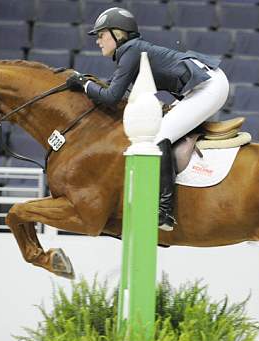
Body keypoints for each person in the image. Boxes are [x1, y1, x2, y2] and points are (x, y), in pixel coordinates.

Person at [66, 7, 230, 231]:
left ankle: (164, 210)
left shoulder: (130, 51)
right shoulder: (130, 52)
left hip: (209, 87)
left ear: (118, 33)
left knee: (159, 136)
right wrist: (87, 84)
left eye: (102, 35)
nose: (98, 41)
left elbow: (111, 97)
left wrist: (83, 84)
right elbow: (114, 89)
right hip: (202, 85)